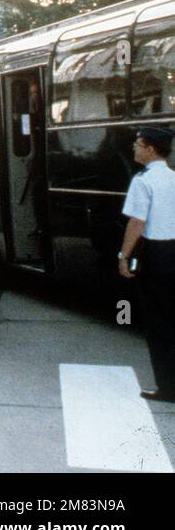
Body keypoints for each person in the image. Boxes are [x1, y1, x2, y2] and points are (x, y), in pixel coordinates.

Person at [118, 126, 175, 402]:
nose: (134, 148)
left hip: (157, 255)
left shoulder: (142, 180)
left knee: (159, 323)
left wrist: (123, 255)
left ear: (150, 149)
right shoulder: (174, 177)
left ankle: (168, 387)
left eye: (138, 144)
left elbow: (137, 222)